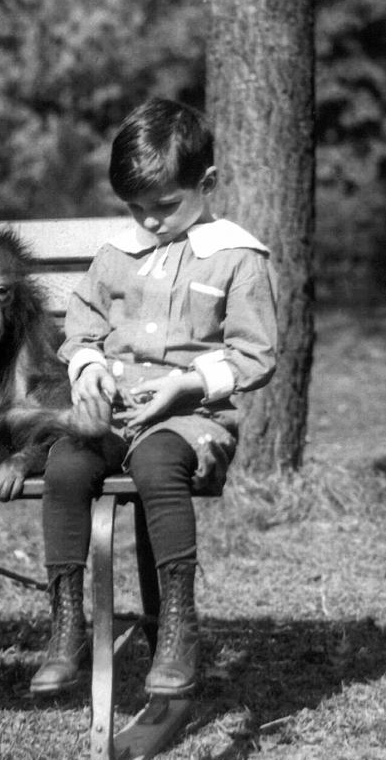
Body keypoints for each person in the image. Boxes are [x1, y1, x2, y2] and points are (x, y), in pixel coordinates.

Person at [30, 97, 278, 697]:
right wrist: (87, 366)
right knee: (66, 464)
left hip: (192, 417)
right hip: (116, 413)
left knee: (155, 463)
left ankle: (177, 628)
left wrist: (188, 383)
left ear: (208, 184)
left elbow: (256, 354)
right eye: (135, 209)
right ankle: (67, 625)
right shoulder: (117, 255)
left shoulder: (237, 258)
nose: (149, 222)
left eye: (164, 206)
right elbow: (82, 327)